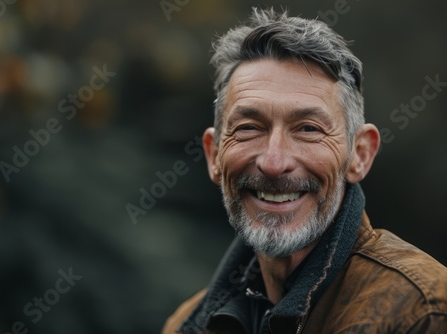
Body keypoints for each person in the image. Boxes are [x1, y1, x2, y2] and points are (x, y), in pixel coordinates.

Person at [162, 7, 447, 334]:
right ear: (214, 155)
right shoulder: (186, 324)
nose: (273, 162)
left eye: (309, 129)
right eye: (249, 128)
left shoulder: (421, 312)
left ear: (360, 155)